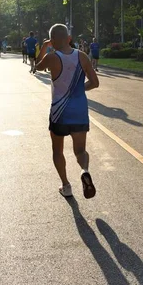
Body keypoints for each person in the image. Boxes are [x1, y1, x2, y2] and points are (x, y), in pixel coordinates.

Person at [35, 24, 100, 199]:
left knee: (58, 150)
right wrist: (78, 90)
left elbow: (36, 67)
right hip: (79, 111)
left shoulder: (51, 57)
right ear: (69, 38)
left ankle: (66, 185)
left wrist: (44, 47)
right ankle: (84, 170)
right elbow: (95, 82)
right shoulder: (83, 56)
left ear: (53, 40)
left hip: (59, 114)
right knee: (80, 151)